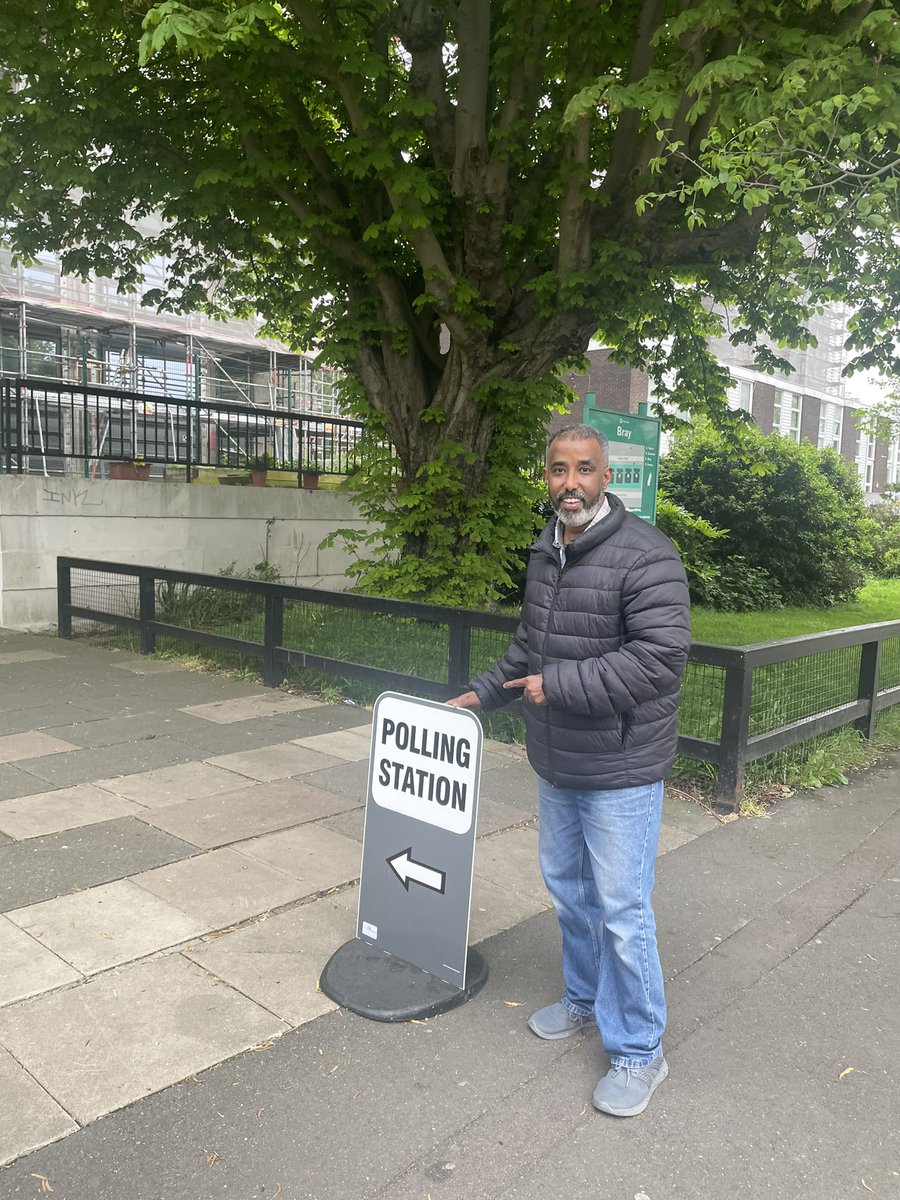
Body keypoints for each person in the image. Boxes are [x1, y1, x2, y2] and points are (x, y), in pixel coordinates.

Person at [449, 423, 690, 1118]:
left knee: (621, 909)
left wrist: (562, 685)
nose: (571, 483)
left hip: (621, 763)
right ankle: (585, 1000)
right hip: (557, 759)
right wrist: (483, 693)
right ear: (547, 476)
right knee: (569, 891)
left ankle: (641, 1050)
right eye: (559, 469)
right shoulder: (547, 550)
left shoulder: (647, 554)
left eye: (584, 469)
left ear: (606, 474)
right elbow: (531, 646)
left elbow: (661, 658)